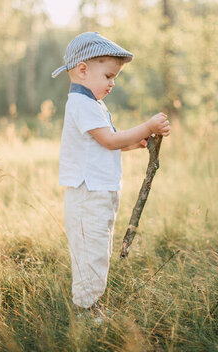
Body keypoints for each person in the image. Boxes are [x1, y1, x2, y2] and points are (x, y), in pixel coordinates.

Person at [52, 32, 170, 318]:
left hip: (99, 193)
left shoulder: (94, 105)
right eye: (108, 75)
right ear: (83, 70)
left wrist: (137, 142)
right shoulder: (82, 105)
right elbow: (109, 141)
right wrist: (146, 126)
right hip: (88, 195)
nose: (112, 83)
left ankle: (91, 305)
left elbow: (110, 143)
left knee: (98, 251)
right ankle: (86, 311)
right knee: (90, 254)